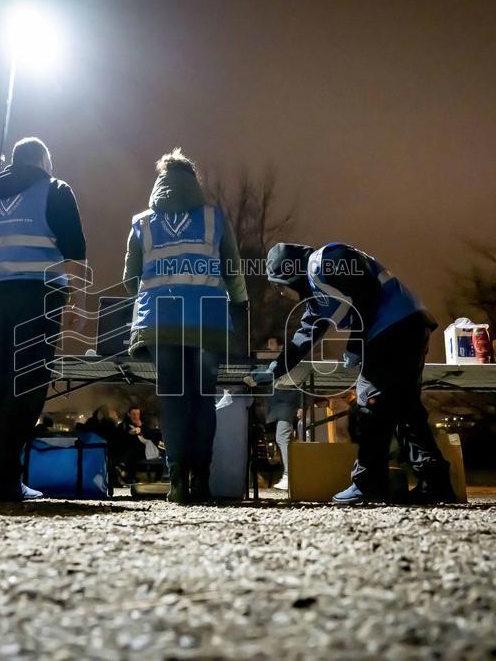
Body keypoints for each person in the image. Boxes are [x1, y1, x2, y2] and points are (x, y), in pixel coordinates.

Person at [262, 242, 454, 505]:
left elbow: (367, 293)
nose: (285, 294)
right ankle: (436, 484)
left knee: (371, 405)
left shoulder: (326, 259)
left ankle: (368, 484)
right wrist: (274, 370)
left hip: (391, 330)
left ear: (291, 271)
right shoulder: (319, 296)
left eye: (282, 286)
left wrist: (354, 345)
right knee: (405, 408)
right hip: (409, 325)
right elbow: (305, 336)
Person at [0, 137, 87, 501]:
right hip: (40, 296)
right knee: (28, 387)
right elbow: (75, 250)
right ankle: (5, 478)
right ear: (43, 161)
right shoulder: (56, 190)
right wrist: (77, 300)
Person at [122, 148, 248, 504]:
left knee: (174, 399)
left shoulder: (142, 223)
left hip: (160, 324)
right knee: (202, 398)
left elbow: (129, 278)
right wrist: (238, 303)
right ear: (193, 181)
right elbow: (233, 271)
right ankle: (202, 482)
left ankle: (177, 481)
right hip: (206, 322)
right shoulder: (213, 219)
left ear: (160, 181)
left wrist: (150, 298)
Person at [262, 334, 301, 491]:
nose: (269, 347)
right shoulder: (278, 361)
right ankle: (289, 474)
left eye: (272, 343)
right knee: (280, 438)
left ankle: (289, 475)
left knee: (282, 437)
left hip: (285, 403)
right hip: (276, 406)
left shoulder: (284, 361)